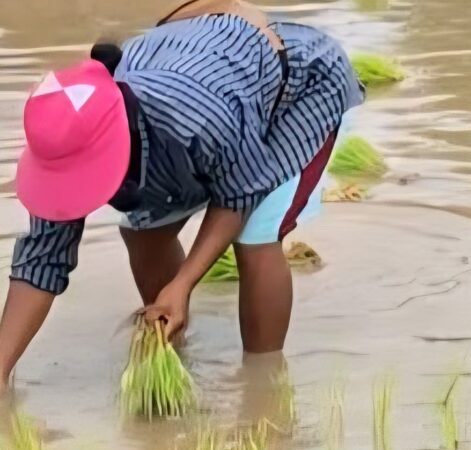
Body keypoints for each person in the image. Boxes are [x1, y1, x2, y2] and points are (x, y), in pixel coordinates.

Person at [0, 0, 363, 386]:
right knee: (143, 232)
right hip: (202, 75)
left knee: (255, 235)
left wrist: (184, 283)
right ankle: (172, 348)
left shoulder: (198, 117)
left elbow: (238, 195)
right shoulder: (63, 136)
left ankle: (263, 386)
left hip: (296, 91)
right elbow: (41, 260)